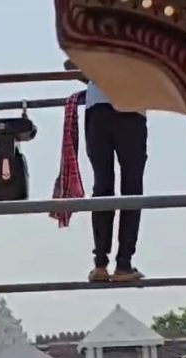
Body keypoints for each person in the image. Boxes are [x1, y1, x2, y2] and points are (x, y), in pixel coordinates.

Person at [64, 60, 147, 282]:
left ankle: (100, 264)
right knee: (132, 188)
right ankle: (124, 264)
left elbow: (70, 63)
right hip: (132, 106)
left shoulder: (96, 32)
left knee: (102, 186)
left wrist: (97, 73)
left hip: (98, 108)